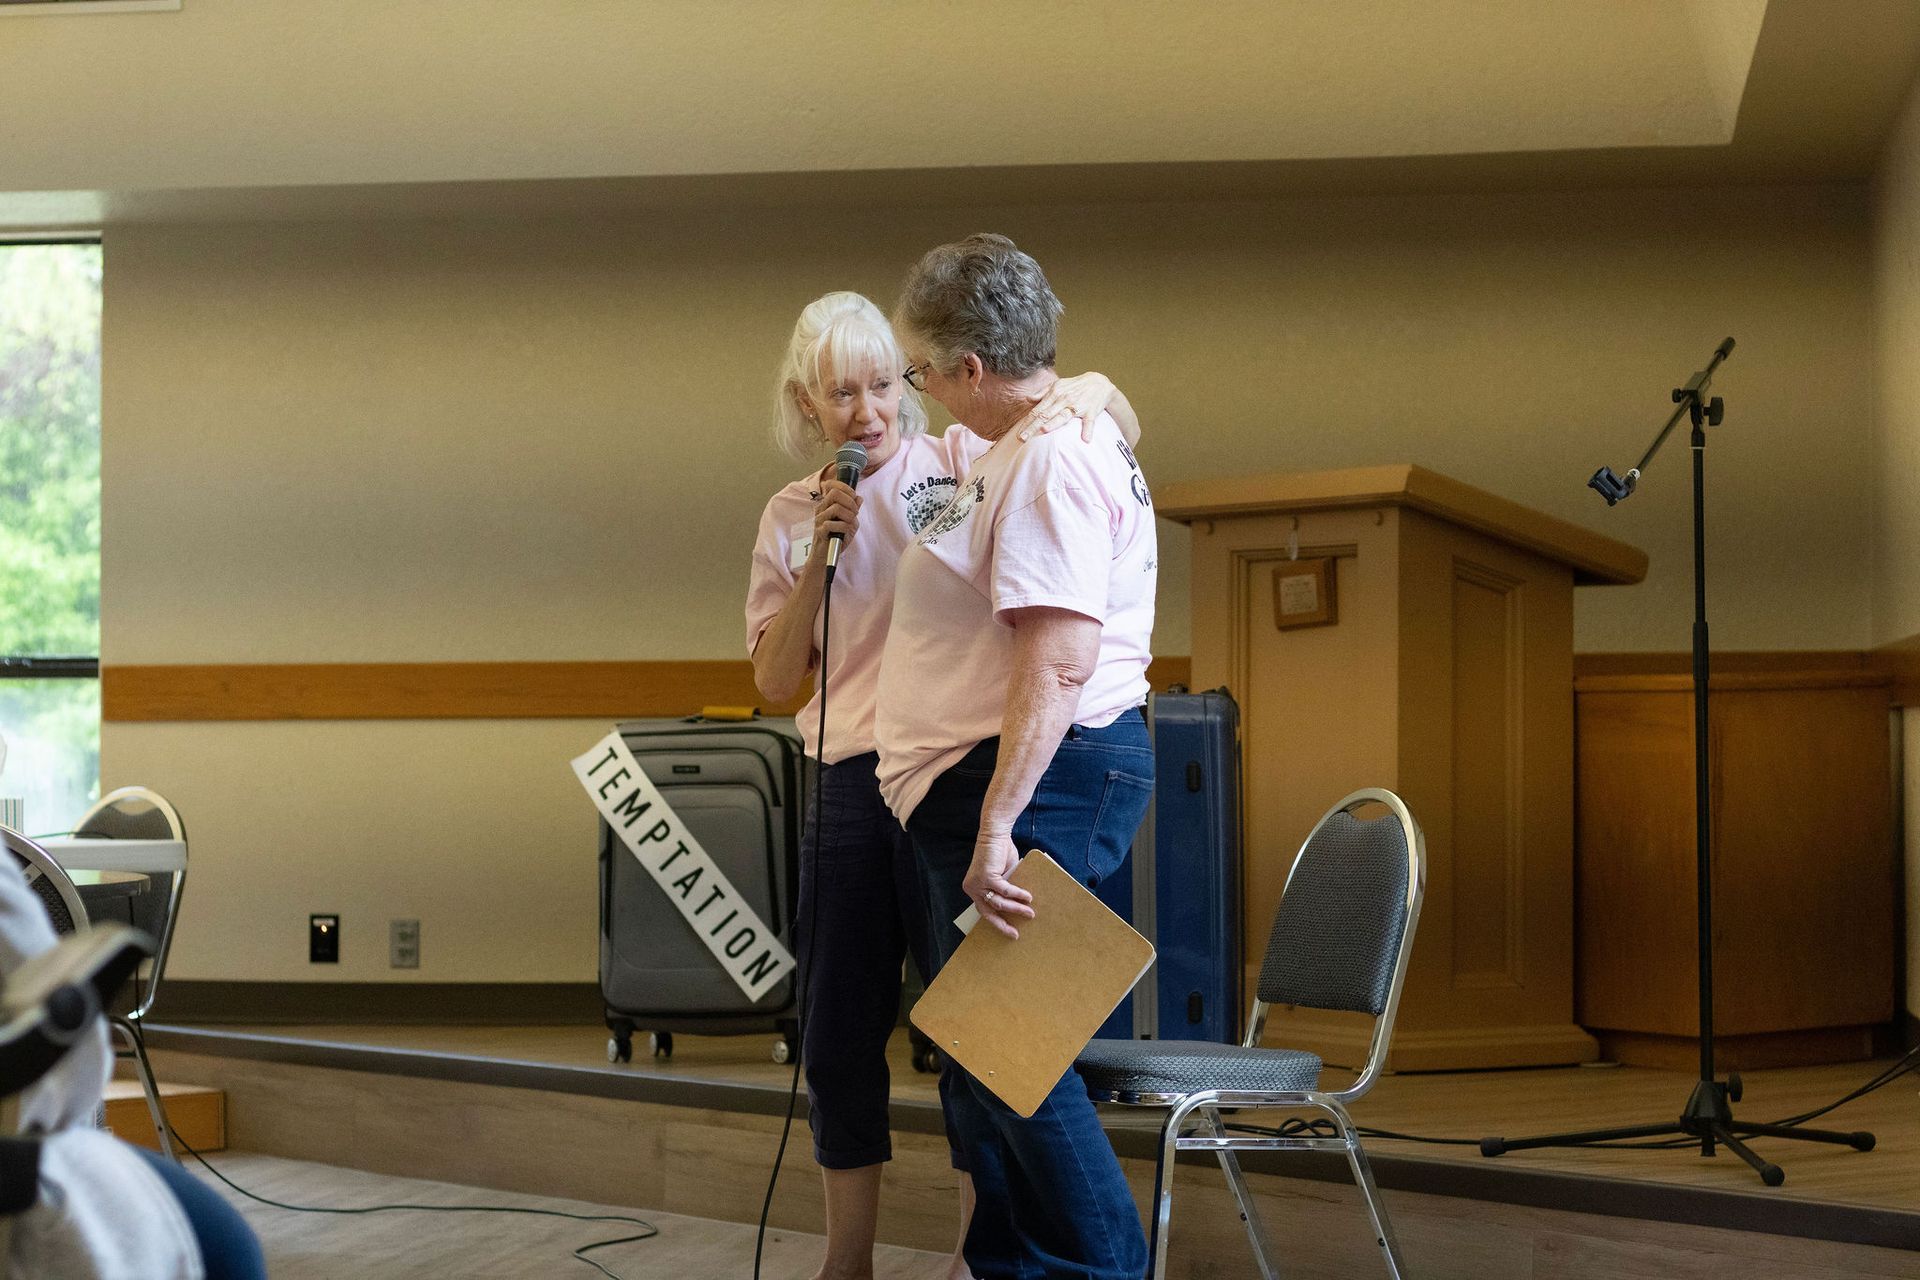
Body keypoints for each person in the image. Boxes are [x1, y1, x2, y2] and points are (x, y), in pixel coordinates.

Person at [744, 291, 1139, 1280]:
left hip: (947, 778)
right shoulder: (791, 514)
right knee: (839, 1028)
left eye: (883, 384)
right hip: (848, 782)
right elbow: (775, 681)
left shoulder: (958, 462)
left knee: (973, 1029)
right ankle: (847, 1259)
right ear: (807, 403)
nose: (866, 409)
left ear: (909, 384)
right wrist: (819, 559)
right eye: (842, 393)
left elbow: (1101, 421)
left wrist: (1088, 385)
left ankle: (973, 1256)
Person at [875, 235, 1157, 1279]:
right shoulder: (1029, 440)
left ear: (969, 368)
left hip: (1039, 780)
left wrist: (997, 821)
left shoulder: (1049, 460)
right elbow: (1103, 402)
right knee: (982, 1062)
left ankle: (1111, 1270)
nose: (919, 391)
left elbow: (1060, 653)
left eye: (918, 372)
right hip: (997, 780)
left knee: (1013, 1054)